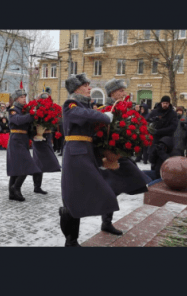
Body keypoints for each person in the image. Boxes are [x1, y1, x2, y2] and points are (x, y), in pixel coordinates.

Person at [59, 73, 118, 247]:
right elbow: (82, 114)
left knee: (87, 194)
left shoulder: (85, 105)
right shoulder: (71, 104)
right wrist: (104, 117)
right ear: (76, 88)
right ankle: (71, 240)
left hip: (86, 153)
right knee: (73, 197)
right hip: (76, 155)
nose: (89, 88)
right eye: (86, 85)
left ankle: (79, 230)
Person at [98, 78, 151, 236]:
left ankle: (106, 221)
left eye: (123, 90)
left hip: (119, 155)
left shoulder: (123, 109)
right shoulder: (106, 109)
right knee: (112, 188)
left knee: (116, 186)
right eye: (121, 91)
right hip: (109, 156)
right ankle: (106, 222)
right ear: (113, 93)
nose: (124, 93)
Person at [7, 85, 41, 202]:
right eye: (21, 97)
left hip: (23, 139)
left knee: (17, 167)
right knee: (27, 166)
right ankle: (16, 188)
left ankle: (12, 193)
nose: (24, 98)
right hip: (16, 140)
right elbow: (17, 120)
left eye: (25, 96)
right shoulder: (13, 109)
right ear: (16, 99)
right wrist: (31, 115)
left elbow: (27, 126)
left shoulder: (23, 110)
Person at [31, 92, 61, 195]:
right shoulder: (36, 109)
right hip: (38, 137)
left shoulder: (50, 109)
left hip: (46, 136)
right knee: (38, 162)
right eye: (43, 99)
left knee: (40, 162)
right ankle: (36, 184)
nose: (45, 101)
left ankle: (37, 186)